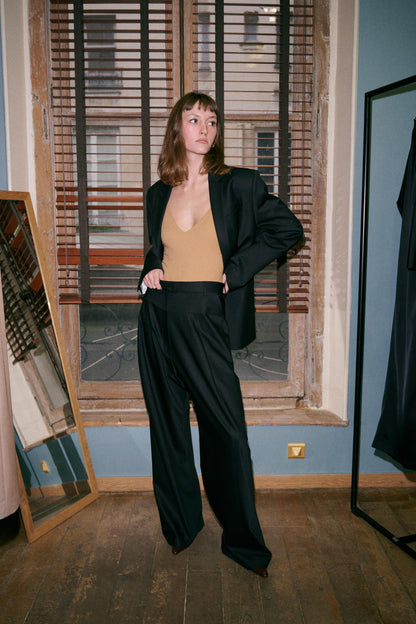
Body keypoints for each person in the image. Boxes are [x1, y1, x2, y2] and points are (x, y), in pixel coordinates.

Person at [137, 92, 303, 578]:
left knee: (226, 430)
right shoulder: (157, 192)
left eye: (211, 121)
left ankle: (245, 544)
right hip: (158, 315)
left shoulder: (241, 184)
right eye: (194, 119)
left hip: (205, 313)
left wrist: (237, 269)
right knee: (168, 426)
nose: (204, 128)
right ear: (177, 128)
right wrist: (151, 268)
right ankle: (181, 527)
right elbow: (158, 249)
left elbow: (287, 229)